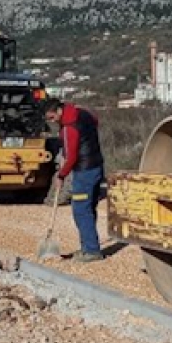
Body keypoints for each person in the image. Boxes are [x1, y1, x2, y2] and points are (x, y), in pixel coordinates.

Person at [44, 98, 105, 262]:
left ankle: (92, 250)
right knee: (89, 207)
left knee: (80, 209)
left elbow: (71, 157)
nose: (51, 121)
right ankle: (88, 247)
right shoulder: (83, 113)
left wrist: (61, 175)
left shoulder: (68, 128)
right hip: (97, 165)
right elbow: (95, 121)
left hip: (84, 171)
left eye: (51, 117)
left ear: (58, 111)